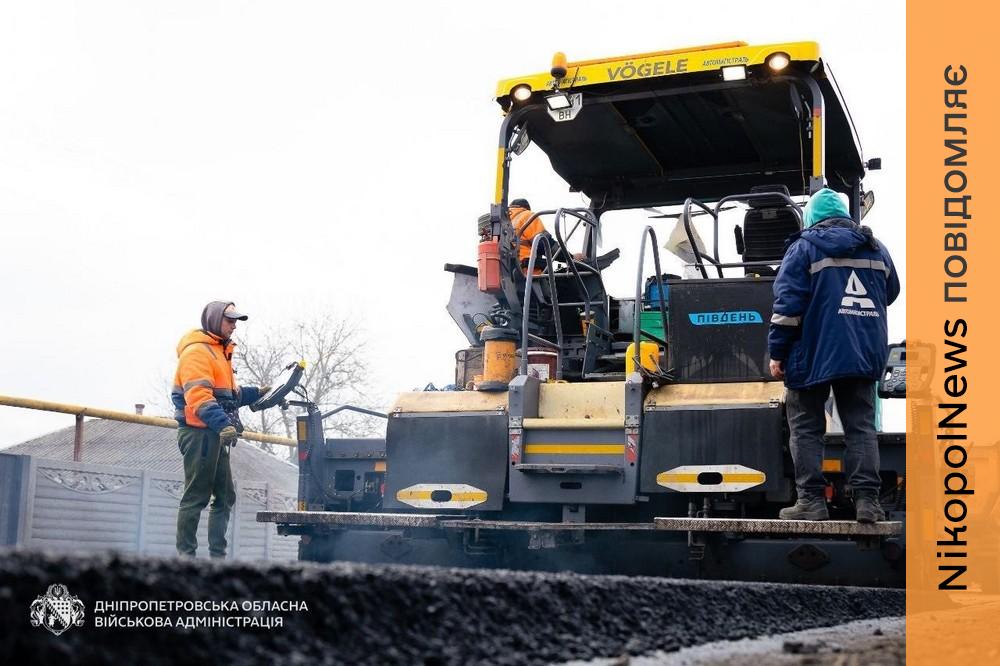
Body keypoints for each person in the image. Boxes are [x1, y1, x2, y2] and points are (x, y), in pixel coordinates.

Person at [768, 188, 899, 523]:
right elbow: (891, 291)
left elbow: (786, 310)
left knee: (807, 427)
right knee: (861, 428)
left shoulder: (803, 249)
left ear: (811, 219)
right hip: (862, 353)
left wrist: (777, 353)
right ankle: (868, 502)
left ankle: (811, 502)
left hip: (813, 353)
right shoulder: (875, 248)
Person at [171, 301, 268, 558]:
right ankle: (186, 558)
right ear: (214, 320)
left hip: (216, 433)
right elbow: (199, 397)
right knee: (196, 497)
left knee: (225, 497)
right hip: (199, 432)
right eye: (229, 320)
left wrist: (257, 393)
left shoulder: (220, 352)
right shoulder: (197, 352)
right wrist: (224, 425)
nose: (234, 325)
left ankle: (217, 558)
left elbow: (228, 396)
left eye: (236, 321)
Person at [509, 198, 546, 266]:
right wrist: (568, 257)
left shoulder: (504, 222)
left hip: (507, 270)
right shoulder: (527, 215)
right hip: (527, 270)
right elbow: (544, 244)